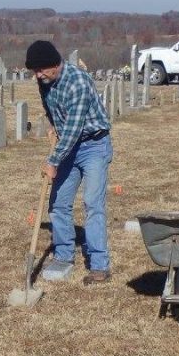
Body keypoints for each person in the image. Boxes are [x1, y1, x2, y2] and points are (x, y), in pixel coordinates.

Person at [25, 40, 113, 285]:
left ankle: (99, 265)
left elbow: (75, 129)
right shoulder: (44, 81)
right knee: (58, 204)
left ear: (54, 64)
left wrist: (53, 161)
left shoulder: (78, 82)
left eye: (41, 70)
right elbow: (48, 105)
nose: (38, 75)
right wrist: (53, 125)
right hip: (68, 146)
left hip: (93, 145)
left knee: (92, 203)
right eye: (34, 71)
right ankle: (64, 256)